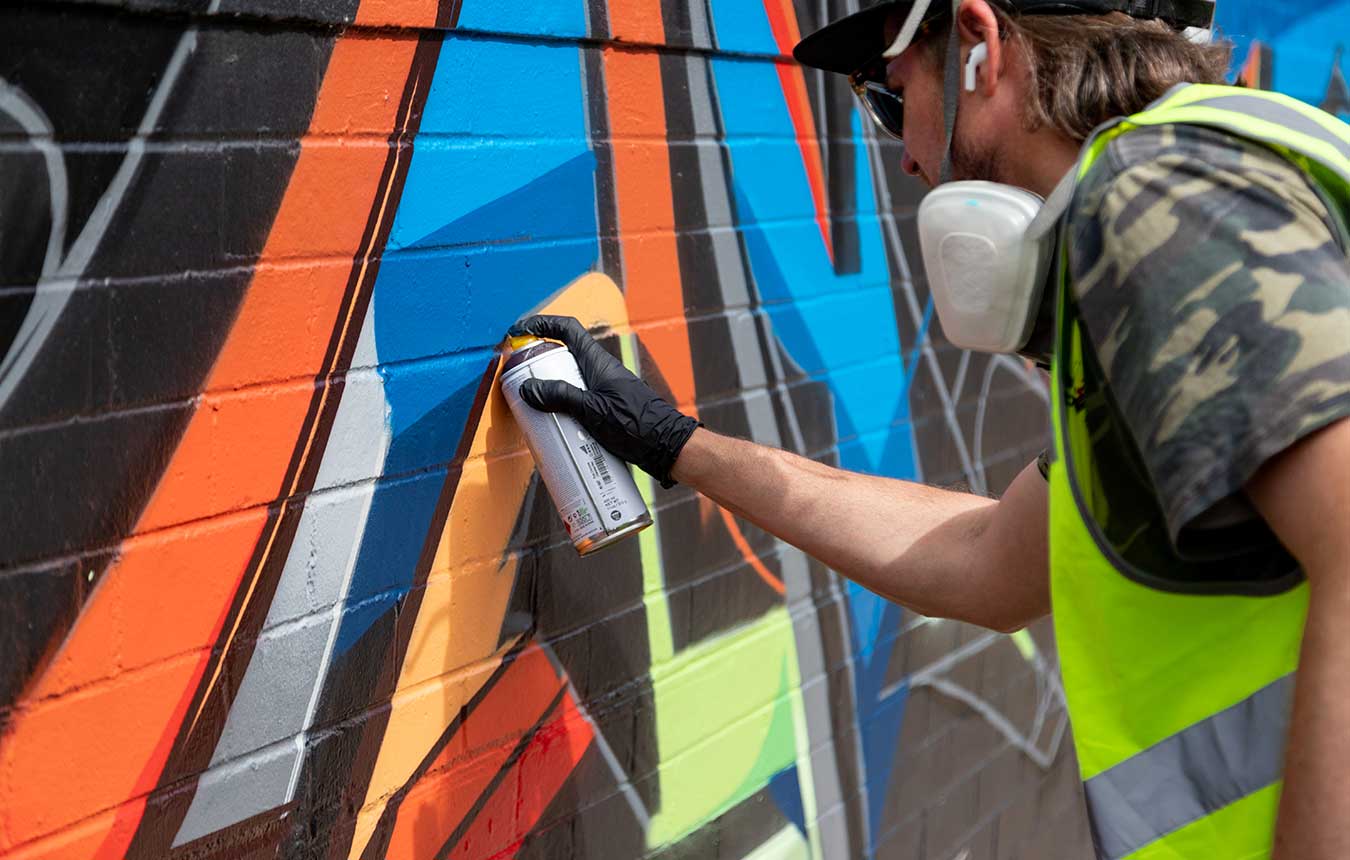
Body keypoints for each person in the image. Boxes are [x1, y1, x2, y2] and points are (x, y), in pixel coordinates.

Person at [507, 0, 1350, 856]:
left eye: (891, 91)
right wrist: (671, 442)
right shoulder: (1237, 172)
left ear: (982, 48)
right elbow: (985, 563)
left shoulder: (1156, 197)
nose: (905, 156)